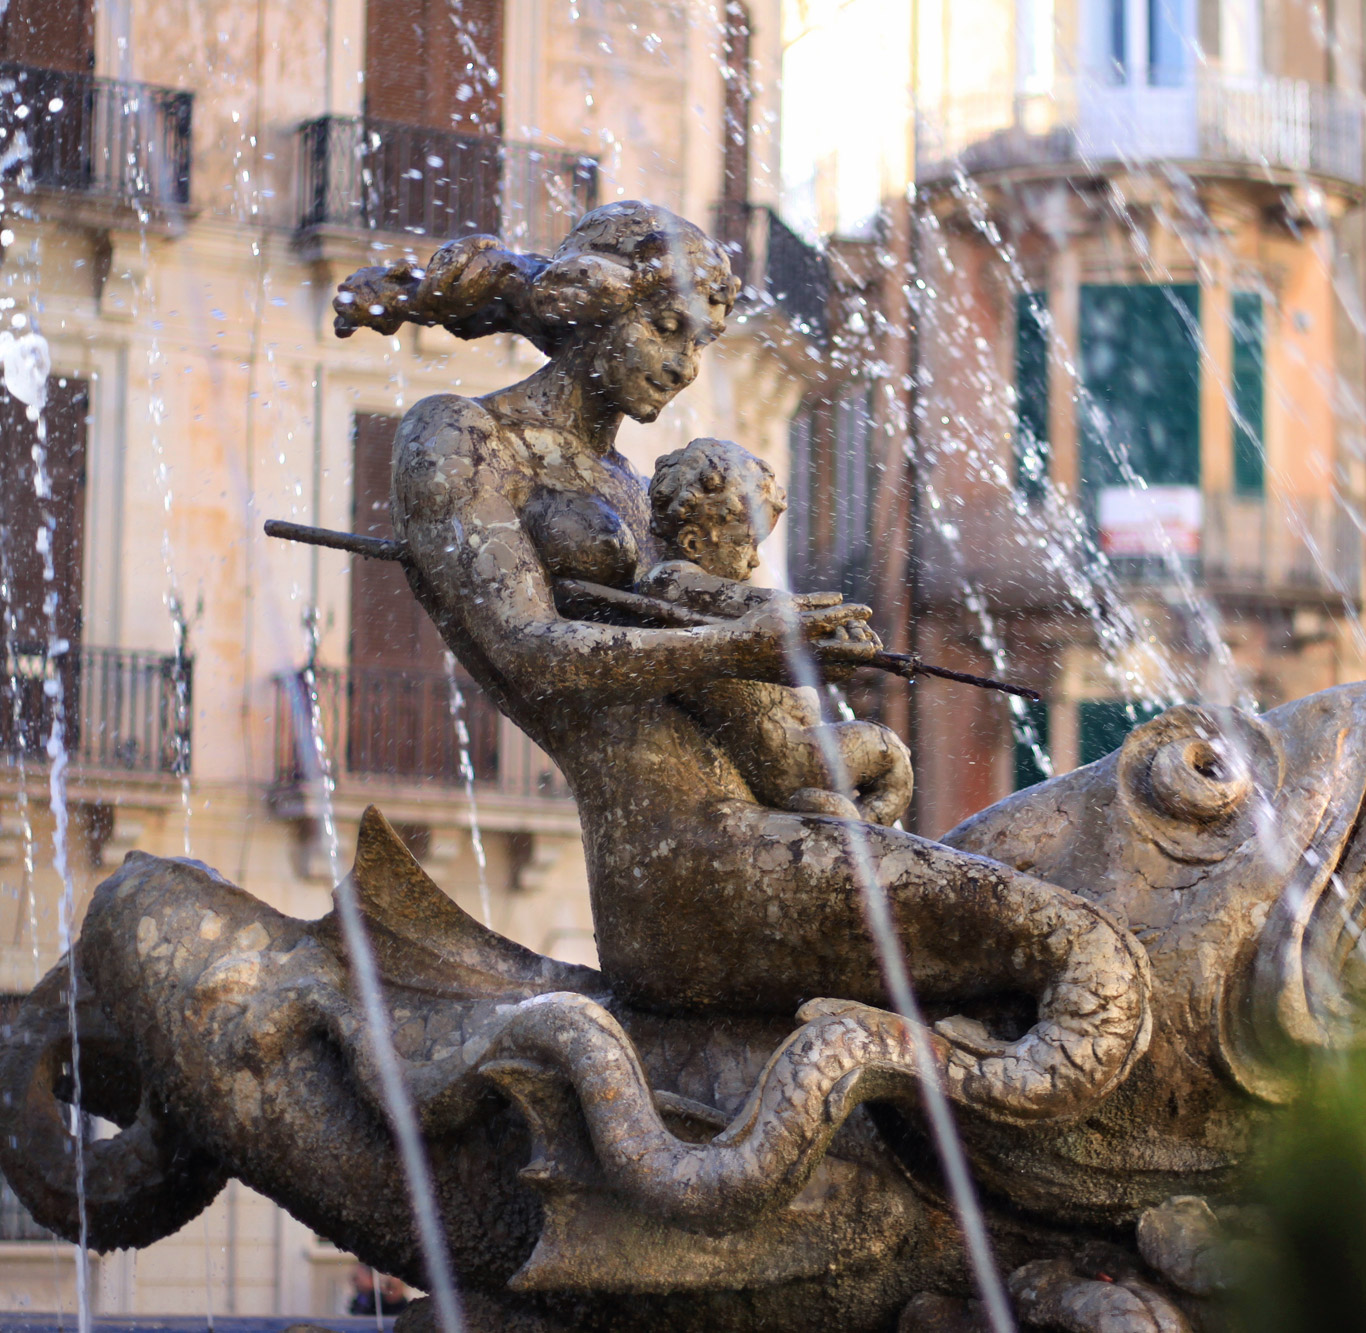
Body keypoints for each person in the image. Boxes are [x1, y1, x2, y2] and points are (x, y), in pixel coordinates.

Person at [329, 202, 1151, 1220]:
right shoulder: (462, 438)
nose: (682, 368)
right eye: (667, 330)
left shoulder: (636, 491)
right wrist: (751, 642)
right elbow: (532, 653)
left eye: (699, 343)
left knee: (1073, 933)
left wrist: (829, 734)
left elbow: (719, 702)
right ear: (597, 304)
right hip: (682, 865)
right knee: (1085, 958)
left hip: (753, 824)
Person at [632, 436, 911, 823]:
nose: (753, 560)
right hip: (788, 757)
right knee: (889, 752)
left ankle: (846, 819)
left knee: (886, 766)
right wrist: (818, 614)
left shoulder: (703, 596)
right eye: (746, 544)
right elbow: (736, 599)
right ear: (694, 542)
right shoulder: (670, 582)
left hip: (794, 749)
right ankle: (860, 829)